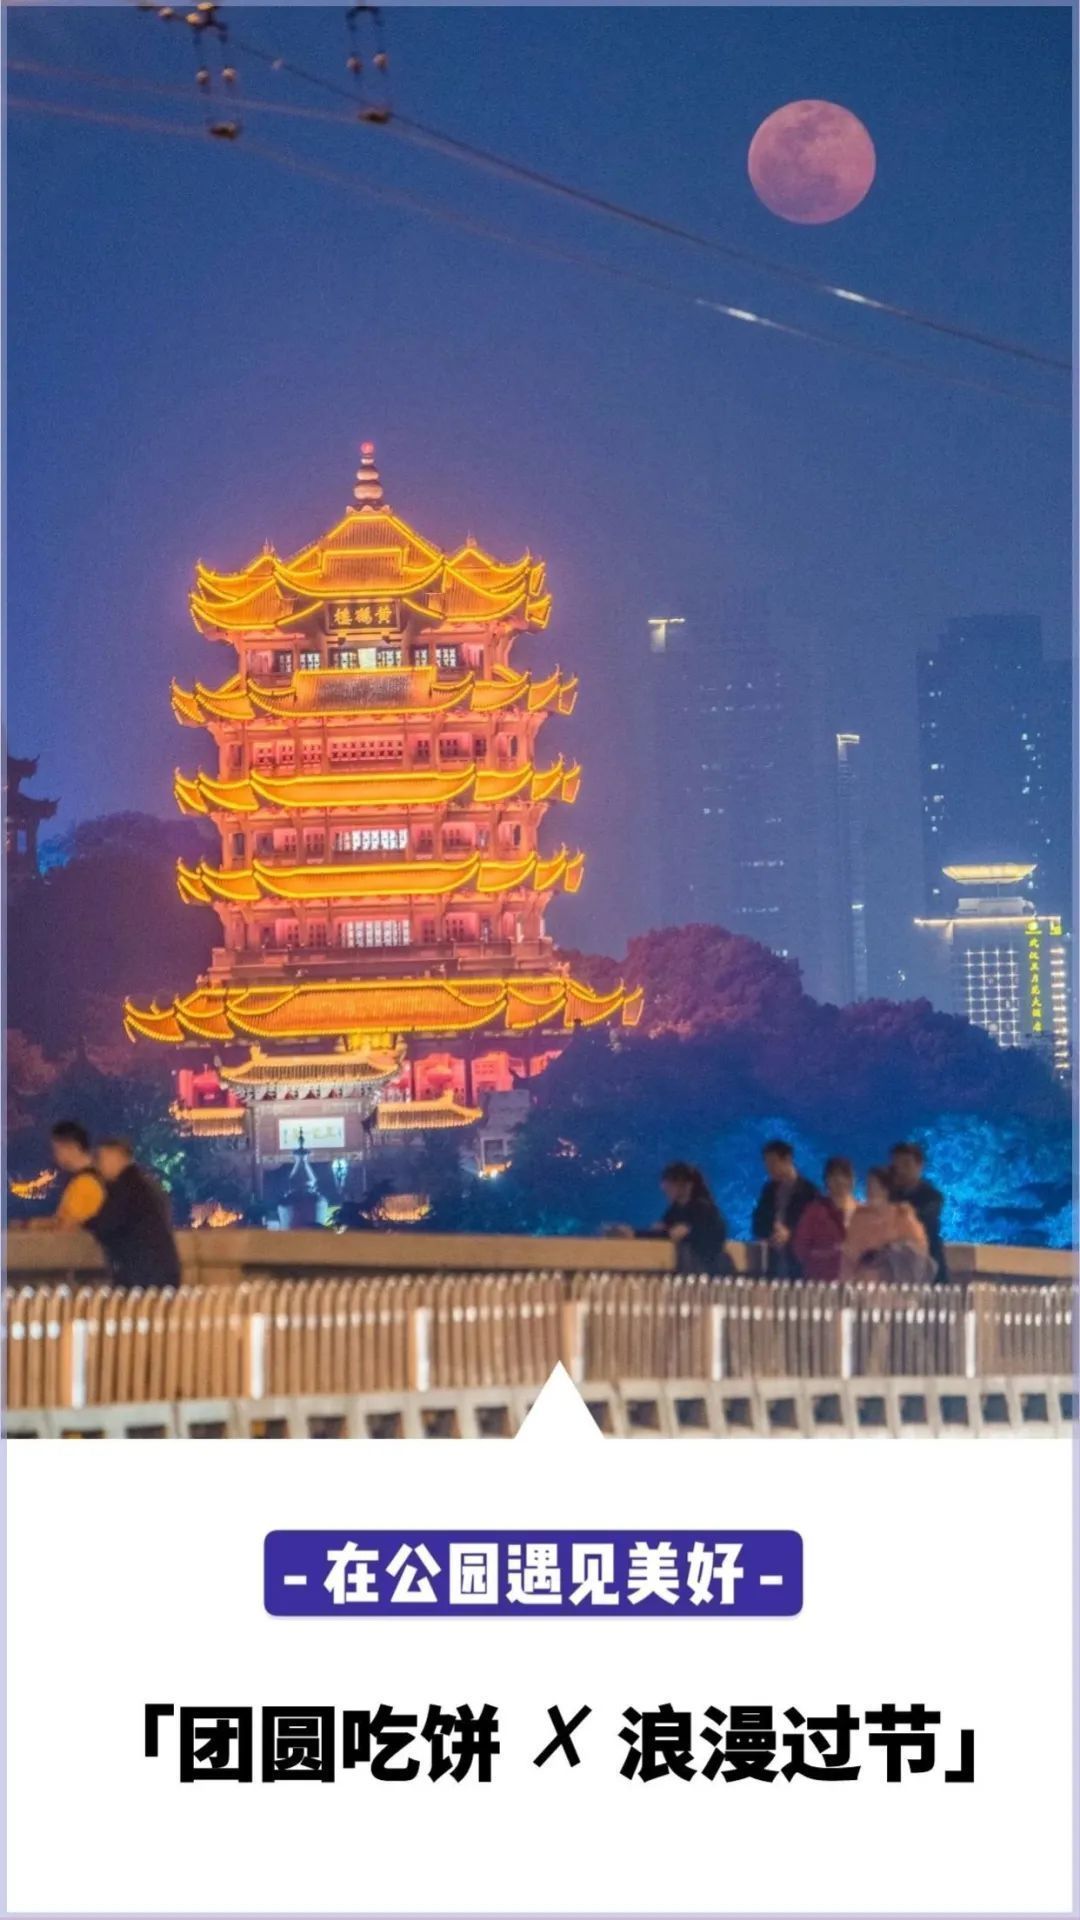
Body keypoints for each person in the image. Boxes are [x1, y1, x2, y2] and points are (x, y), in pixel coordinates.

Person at [86, 1138, 182, 1290]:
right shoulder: (145, 1184)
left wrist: (85, 1223)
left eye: (102, 1159)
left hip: (142, 1274)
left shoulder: (124, 1188)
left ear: (116, 1157)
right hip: (162, 1270)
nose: (99, 1166)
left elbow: (106, 1223)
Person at [613, 1162, 733, 1275]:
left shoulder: (702, 1209)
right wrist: (633, 1233)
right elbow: (663, 1232)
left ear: (687, 1185)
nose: (665, 1188)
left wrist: (635, 1234)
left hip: (708, 1269)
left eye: (670, 1184)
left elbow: (674, 1234)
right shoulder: (675, 1210)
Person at [840, 1166, 933, 1284]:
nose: (870, 1191)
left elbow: (919, 1250)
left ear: (886, 1189)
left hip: (895, 1285)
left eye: (875, 1186)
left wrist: (889, 1252)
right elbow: (848, 1256)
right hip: (863, 1284)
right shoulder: (859, 1217)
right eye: (868, 1186)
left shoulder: (902, 1215)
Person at [750, 1139, 817, 1277]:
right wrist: (771, 1230)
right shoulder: (769, 1190)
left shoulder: (808, 1192)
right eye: (767, 1163)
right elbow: (757, 1222)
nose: (769, 1168)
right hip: (772, 1260)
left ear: (787, 1160)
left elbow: (814, 1228)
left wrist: (790, 1234)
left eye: (773, 1163)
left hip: (799, 1263)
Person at [31, 1120, 106, 1231]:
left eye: (57, 1150)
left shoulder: (85, 1183)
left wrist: (34, 1225)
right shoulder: (96, 1177)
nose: (55, 1156)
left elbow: (68, 1226)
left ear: (72, 1147)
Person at [791, 1156, 857, 1282]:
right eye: (834, 1176)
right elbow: (800, 1248)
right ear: (826, 1181)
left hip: (859, 1284)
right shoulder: (814, 1211)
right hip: (822, 1283)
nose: (839, 1181)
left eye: (844, 1176)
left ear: (853, 1180)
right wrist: (830, 1255)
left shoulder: (863, 1212)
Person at [888, 1142, 947, 1281]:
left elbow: (924, 1219)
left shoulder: (932, 1197)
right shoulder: (890, 1197)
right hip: (896, 1269)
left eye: (906, 1164)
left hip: (929, 1266)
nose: (901, 1171)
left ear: (920, 1165)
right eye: (897, 1166)